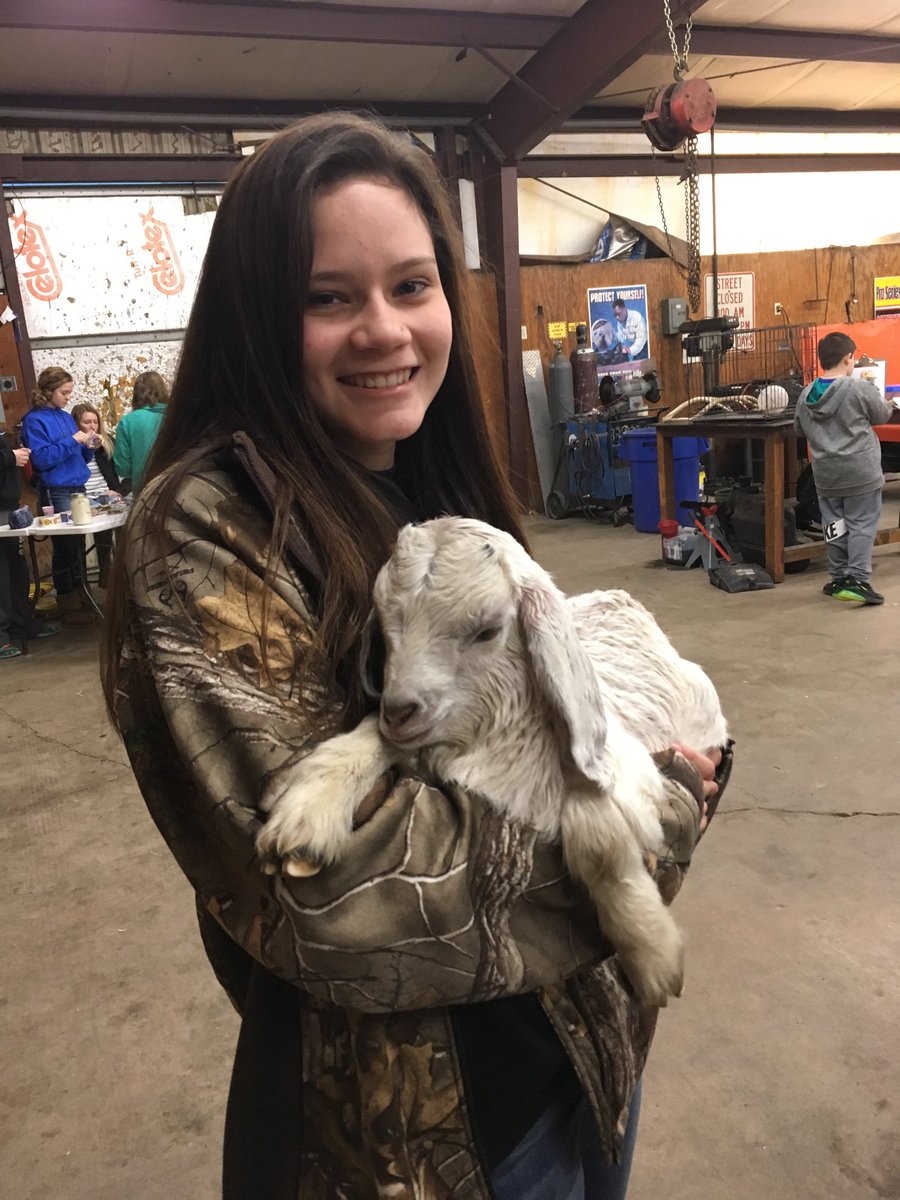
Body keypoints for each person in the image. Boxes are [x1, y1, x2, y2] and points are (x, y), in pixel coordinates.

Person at [102, 113, 729, 1200]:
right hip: (411, 1146)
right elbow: (332, 894)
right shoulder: (204, 531)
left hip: (579, 1065)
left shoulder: (438, 491)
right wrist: (657, 807)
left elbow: (543, 711)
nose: (384, 331)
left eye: (411, 285)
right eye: (327, 296)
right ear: (258, 312)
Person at [794, 332, 893, 605]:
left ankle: (838, 576)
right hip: (860, 471)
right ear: (849, 358)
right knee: (862, 524)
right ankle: (858, 579)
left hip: (826, 474)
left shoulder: (806, 395)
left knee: (834, 525)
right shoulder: (858, 388)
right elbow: (882, 414)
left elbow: (799, 429)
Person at [20, 367, 97, 625]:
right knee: (65, 546)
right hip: (57, 489)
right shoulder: (34, 421)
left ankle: (83, 594)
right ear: (49, 390)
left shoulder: (64, 417)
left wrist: (88, 447)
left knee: (79, 544)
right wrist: (73, 441)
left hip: (77, 485)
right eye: (64, 392)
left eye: (69, 392)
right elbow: (41, 459)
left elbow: (76, 454)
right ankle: (67, 601)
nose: (67, 397)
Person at [0, 430, 59, 657]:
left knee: (18, 568)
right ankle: (1, 635)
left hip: (8, 506)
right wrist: (10, 457)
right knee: (2, 574)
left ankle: (22, 623)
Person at [72, 402, 122, 588]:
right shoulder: (73, 444)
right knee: (78, 541)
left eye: (95, 421)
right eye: (87, 422)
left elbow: (114, 472)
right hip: (82, 496)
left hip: (103, 494)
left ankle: (106, 578)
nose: (92, 426)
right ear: (77, 423)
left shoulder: (105, 443)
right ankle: (80, 583)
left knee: (105, 539)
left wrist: (115, 490)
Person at [112, 370, 168, 493]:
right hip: (181, 488)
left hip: (146, 492)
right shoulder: (178, 416)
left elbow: (123, 468)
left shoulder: (128, 422)